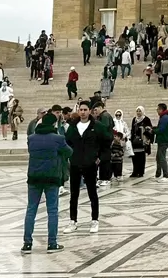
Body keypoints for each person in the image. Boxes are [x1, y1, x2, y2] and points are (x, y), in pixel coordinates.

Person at [23, 114, 70, 254]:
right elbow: (69, 152)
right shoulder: (58, 138)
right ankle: (52, 243)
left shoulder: (31, 138)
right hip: (52, 177)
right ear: (54, 124)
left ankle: (27, 243)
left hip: (34, 177)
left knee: (31, 209)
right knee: (52, 210)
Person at [65, 101, 108, 235]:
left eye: (85, 109)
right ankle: (73, 221)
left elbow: (106, 142)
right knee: (74, 194)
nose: (82, 112)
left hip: (90, 164)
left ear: (90, 111)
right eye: (80, 109)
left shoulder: (97, 126)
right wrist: (70, 156)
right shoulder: (73, 126)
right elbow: (67, 142)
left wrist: (99, 157)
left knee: (92, 193)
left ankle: (94, 220)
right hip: (76, 163)